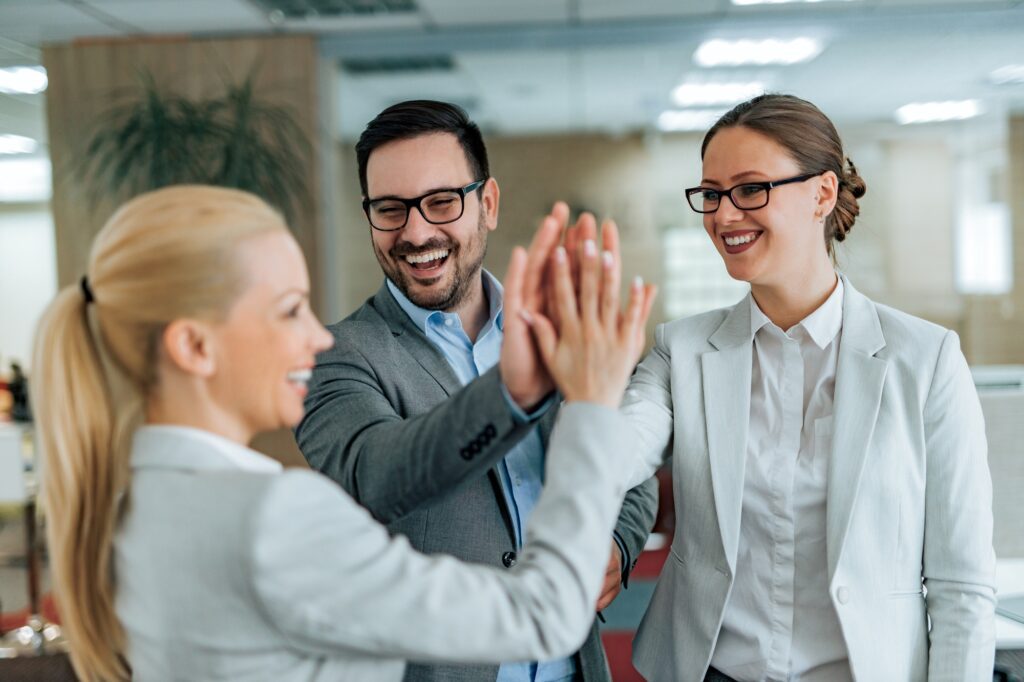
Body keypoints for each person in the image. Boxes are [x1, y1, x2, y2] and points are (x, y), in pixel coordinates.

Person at [30, 185, 656, 682]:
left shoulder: (127, 502)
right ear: (194, 345)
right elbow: (544, 616)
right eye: (289, 309)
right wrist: (594, 407)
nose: (319, 335)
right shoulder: (274, 516)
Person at [615, 94, 996, 681]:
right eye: (711, 194)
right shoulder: (681, 349)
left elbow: (961, 583)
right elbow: (615, 453)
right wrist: (584, 383)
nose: (723, 215)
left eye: (749, 189)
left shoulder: (926, 360)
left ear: (822, 194)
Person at [295, 100, 658, 682]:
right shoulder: (334, 357)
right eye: (389, 210)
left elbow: (629, 464)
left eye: (441, 202)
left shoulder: (557, 327)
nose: (415, 232)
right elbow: (377, 475)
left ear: (486, 204)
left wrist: (616, 545)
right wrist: (512, 392)